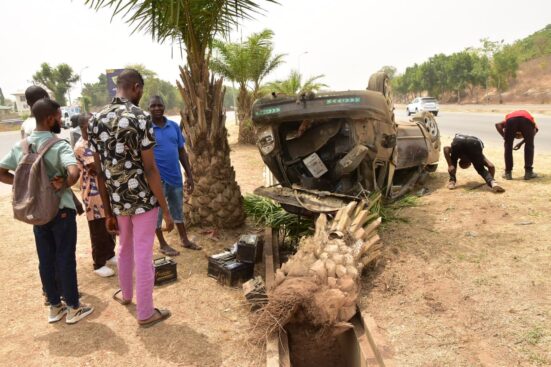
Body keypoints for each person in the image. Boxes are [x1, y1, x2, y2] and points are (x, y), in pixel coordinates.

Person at [89, 69, 174, 327]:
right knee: (144, 254)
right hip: (143, 201)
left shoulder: (96, 119)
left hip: (117, 201)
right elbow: (149, 169)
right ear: (136, 87)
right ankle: (146, 313)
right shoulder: (140, 117)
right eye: (142, 91)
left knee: (125, 248)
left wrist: (107, 210)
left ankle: (127, 296)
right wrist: (166, 210)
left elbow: (99, 172)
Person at [0, 98, 94, 324]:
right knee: (65, 257)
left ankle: (54, 306)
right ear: (50, 118)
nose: (61, 120)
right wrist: (63, 183)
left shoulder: (21, 145)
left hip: (37, 213)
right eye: (59, 116)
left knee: (46, 258)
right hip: (60, 210)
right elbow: (73, 172)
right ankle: (73, 307)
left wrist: (25, 187)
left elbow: (2, 171)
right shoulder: (58, 145)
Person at [148, 95, 200, 256]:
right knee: (157, 213)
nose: (157, 108)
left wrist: (189, 175)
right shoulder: (146, 129)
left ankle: (184, 239)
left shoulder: (173, 126)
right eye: (153, 106)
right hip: (157, 181)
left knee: (178, 209)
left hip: (175, 177)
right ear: (149, 108)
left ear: (164, 107)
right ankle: (163, 244)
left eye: (159, 105)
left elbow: (181, 152)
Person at [74, 113, 117, 277]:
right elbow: (97, 167)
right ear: (83, 127)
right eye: (90, 124)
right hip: (93, 193)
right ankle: (98, 263)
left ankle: (110, 254)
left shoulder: (96, 142)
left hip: (104, 191)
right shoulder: (81, 146)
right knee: (98, 228)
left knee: (110, 224)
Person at [495, 110, 539, 180]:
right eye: (516, 136)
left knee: (508, 146)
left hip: (511, 120)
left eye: (518, 136)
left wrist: (506, 138)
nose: (517, 138)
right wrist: (505, 137)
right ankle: (528, 172)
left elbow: (497, 125)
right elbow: (531, 136)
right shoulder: (532, 126)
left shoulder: (507, 121)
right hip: (526, 120)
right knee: (529, 146)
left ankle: (508, 173)